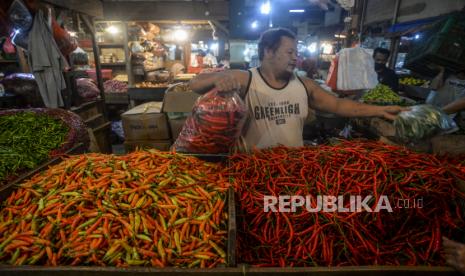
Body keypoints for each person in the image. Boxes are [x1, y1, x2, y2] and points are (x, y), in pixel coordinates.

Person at [188, 28, 405, 150]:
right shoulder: (246, 78)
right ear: (269, 51)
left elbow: (338, 105)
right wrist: (220, 78)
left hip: (292, 172)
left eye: (296, 52)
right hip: (253, 173)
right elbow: (195, 84)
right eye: (290, 52)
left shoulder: (303, 84)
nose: (296, 57)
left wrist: (379, 110)